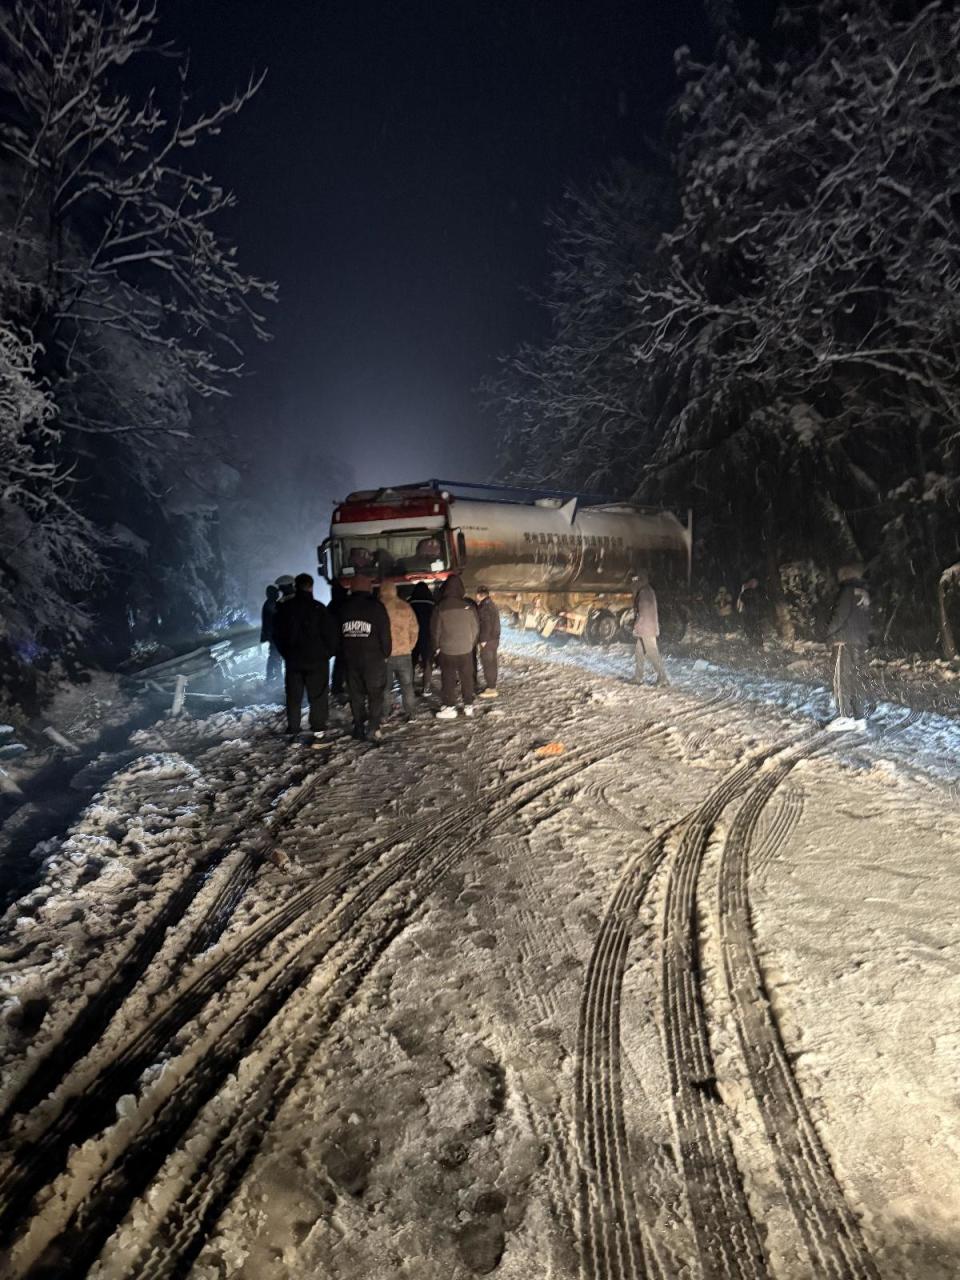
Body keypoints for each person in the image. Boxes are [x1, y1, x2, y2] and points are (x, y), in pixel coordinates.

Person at [272, 573, 338, 736]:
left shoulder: (285, 609)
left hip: (294, 660)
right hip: (317, 661)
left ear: (295, 586)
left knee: (294, 697)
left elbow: (278, 635)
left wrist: (287, 654)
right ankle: (318, 732)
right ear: (311, 587)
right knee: (318, 696)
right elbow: (331, 635)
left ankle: (293, 730)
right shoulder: (319, 608)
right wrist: (327, 654)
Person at [338, 574, 392, 740]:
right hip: (374, 660)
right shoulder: (377, 607)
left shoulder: (343, 608)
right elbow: (385, 634)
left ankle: (359, 727)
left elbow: (336, 635)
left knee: (356, 696)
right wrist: (386, 652)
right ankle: (374, 727)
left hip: (351, 660)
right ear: (369, 588)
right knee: (375, 695)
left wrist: (342, 655)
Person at [826, 564, 872, 725]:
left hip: (843, 642)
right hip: (859, 643)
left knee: (841, 680)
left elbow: (839, 616)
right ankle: (859, 717)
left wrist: (829, 635)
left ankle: (844, 718)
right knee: (857, 679)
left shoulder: (846, 591)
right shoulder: (864, 593)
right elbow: (866, 621)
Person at [430, 575, 480, 719]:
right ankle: (468, 706)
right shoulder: (469, 607)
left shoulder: (440, 608)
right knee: (467, 678)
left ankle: (450, 707)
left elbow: (435, 631)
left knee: (448, 679)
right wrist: (470, 644)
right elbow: (475, 628)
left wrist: (437, 648)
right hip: (466, 650)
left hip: (447, 651)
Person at [379, 582, 418, 719]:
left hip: (384, 655)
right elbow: (414, 629)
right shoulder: (405, 606)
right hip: (404, 653)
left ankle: (384, 715)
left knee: (385, 688)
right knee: (407, 686)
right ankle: (411, 714)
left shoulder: (378, 607)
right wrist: (409, 646)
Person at [632, 572, 669, 686]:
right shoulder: (647, 591)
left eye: (635, 580)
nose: (633, 583)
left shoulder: (644, 593)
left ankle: (663, 678)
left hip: (646, 629)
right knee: (639, 652)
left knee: (652, 652)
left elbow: (643, 613)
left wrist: (636, 625)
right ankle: (638, 677)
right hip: (646, 628)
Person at [410, 582, 436, 695]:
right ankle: (426, 687)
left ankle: (409, 686)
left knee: (411, 662)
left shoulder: (410, 604)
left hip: (413, 636)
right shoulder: (432, 604)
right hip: (428, 636)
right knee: (427, 662)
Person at [476, 586, 501, 698]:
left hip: (488, 640)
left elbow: (486, 624)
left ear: (479, 595)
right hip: (494, 639)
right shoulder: (491, 604)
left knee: (488, 664)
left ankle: (491, 689)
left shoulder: (484, 607)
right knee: (492, 663)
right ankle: (492, 686)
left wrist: (483, 639)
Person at [260, 583, 282, 683]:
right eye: (277, 593)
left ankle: (273, 676)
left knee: (274, 656)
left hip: (272, 635)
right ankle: (273, 677)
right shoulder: (271, 604)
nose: (278, 594)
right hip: (274, 635)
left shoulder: (269, 603)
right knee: (275, 656)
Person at [737, 576, 764, 648]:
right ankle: (756, 642)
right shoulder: (752, 591)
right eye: (754, 583)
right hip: (752, 612)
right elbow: (743, 599)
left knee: (752, 627)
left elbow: (742, 599)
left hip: (750, 612)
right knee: (753, 627)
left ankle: (755, 642)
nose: (755, 584)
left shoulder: (750, 591)